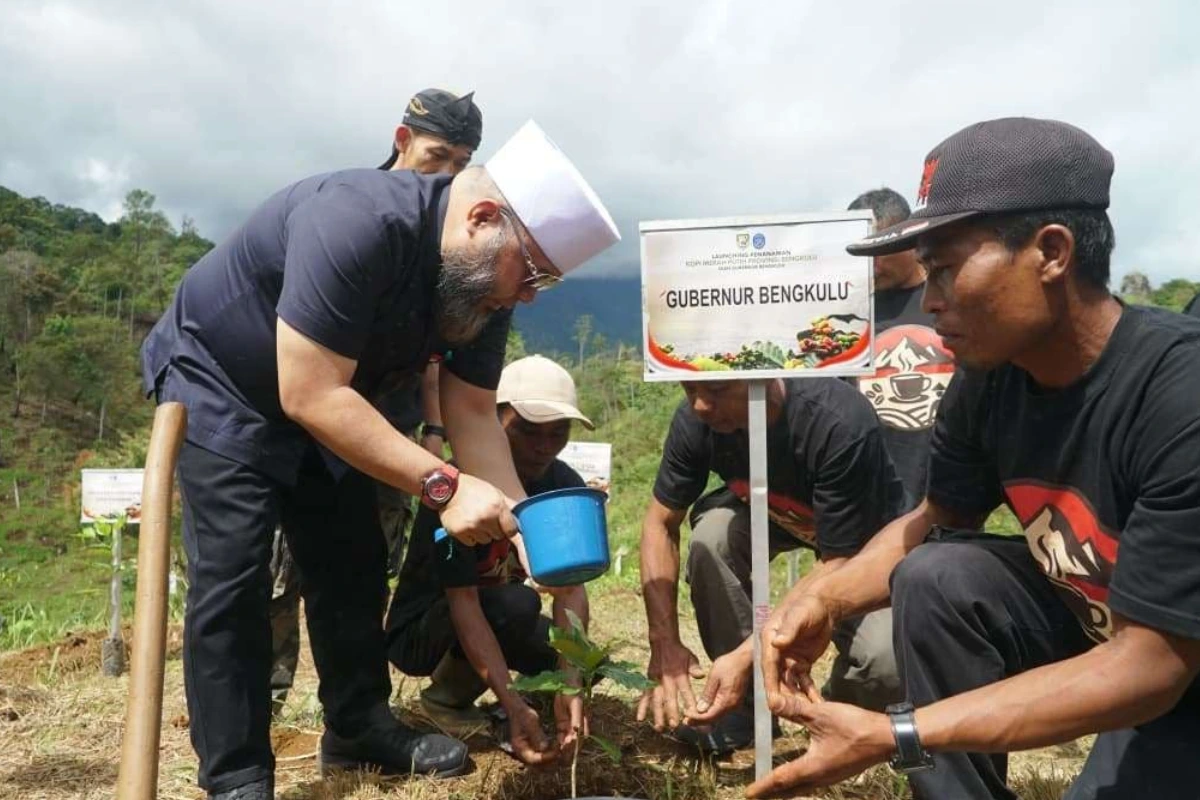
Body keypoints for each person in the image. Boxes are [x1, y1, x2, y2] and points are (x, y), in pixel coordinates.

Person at [141, 120, 620, 800]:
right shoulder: (355, 221)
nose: (529, 295)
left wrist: (528, 525)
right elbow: (305, 389)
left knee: (352, 562)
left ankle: (358, 726)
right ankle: (239, 773)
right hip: (227, 386)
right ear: (483, 219)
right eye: (534, 271)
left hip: (338, 399)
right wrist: (444, 486)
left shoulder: (481, 287)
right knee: (236, 577)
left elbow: (475, 412)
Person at [749, 118, 1200, 800]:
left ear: (1051, 252)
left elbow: (1155, 665)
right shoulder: (992, 377)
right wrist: (820, 603)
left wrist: (900, 732)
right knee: (935, 573)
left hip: (1173, 663)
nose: (929, 303)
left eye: (949, 269)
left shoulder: (1178, 393)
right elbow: (932, 519)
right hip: (1108, 627)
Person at [267, 88, 483, 714]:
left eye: (461, 164)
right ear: (401, 140)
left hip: (385, 437)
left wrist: (435, 433)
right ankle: (267, 704)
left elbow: (440, 358)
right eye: (437, 155)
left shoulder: (452, 237)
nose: (446, 175)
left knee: (361, 572)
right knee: (273, 574)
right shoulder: (356, 215)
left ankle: (358, 717)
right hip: (301, 420)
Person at [637, 376, 907, 755]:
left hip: (863, 545)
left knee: (882, 659)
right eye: (689, 390)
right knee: (712, 537)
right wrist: (663, 641)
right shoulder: (697, 421)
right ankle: (740, 708)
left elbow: (838, 563)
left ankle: (832, 716)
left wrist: (749, 656)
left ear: (761, 378)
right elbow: (659, 524)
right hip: (776, 515)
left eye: (715, 391)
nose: (699, 405)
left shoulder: (836, 420)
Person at [385, 355, 595, 764]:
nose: (543, 446)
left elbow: (571, 591)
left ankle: (534, 700)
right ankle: (446, 697)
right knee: (517, 603)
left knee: (583, 664)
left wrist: (570, 683)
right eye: (529, 430)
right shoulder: (456, 491)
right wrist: (513, 704)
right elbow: (464, 604)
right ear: (493, 419)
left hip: (498, 612)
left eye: (558, 433)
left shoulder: (562, 484)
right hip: (426, 631)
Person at [847, 188, 955, 503]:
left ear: (910, 241)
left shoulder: (948, 297)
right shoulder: (848, 311)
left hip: (941, 488)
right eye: (865, 254)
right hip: (865, 487)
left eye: (882, 253)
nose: (873, 266)